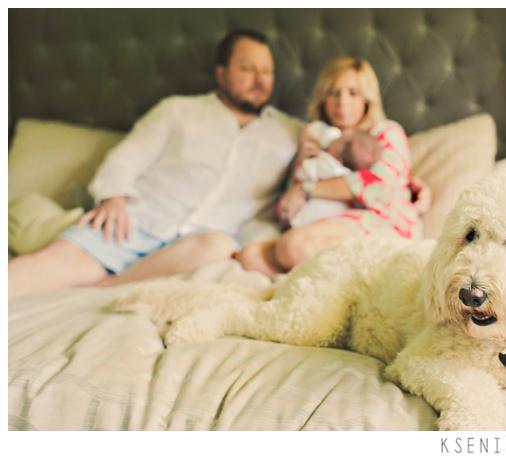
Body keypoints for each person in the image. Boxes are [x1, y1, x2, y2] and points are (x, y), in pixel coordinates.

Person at [8, 29, 303, 300]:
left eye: (267, 71)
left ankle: (98, 293)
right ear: (221, 73)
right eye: (247, 68)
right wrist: (113, 198)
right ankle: (88, 289)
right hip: (134, 225)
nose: (259, 79)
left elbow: (326, 164)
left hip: (198, 247)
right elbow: (126, 159)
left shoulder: (292, 133)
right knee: (50, 262)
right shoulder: (177, 110)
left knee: (217, 247)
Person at [235, 57, 423, 277]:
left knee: (293, 245)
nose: (342, 102)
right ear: (322, 98)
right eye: (333, 93)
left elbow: (377, 185)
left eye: (353, 93)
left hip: (381, 222)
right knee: (249, 257)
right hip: (320, 227)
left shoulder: (386, 132)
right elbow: (287, 206)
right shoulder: (316, 139)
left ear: (367, 99)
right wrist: (303, 167)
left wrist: (308, 188)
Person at [289, 123, 381, 229]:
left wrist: (305, 159)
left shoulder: (328, 164)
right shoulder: (349, 176)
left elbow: (301, 173)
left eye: (337, 140)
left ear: (338, 158)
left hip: (308, 216)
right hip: (332, 221)